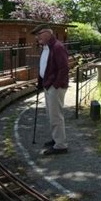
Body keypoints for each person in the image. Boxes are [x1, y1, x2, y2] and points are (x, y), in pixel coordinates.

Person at [31, 24, 69, 155]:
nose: (37, 38)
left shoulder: (57, 47)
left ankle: (61, 145)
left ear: (47, 33)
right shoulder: (46, 48)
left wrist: (55, 85)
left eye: (39, 34)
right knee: (51, 115)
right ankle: (56, 139)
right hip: (48, 86)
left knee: (56, 116)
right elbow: (44, 67)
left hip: (54, 87)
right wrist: (41, 83)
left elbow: (64, 69)